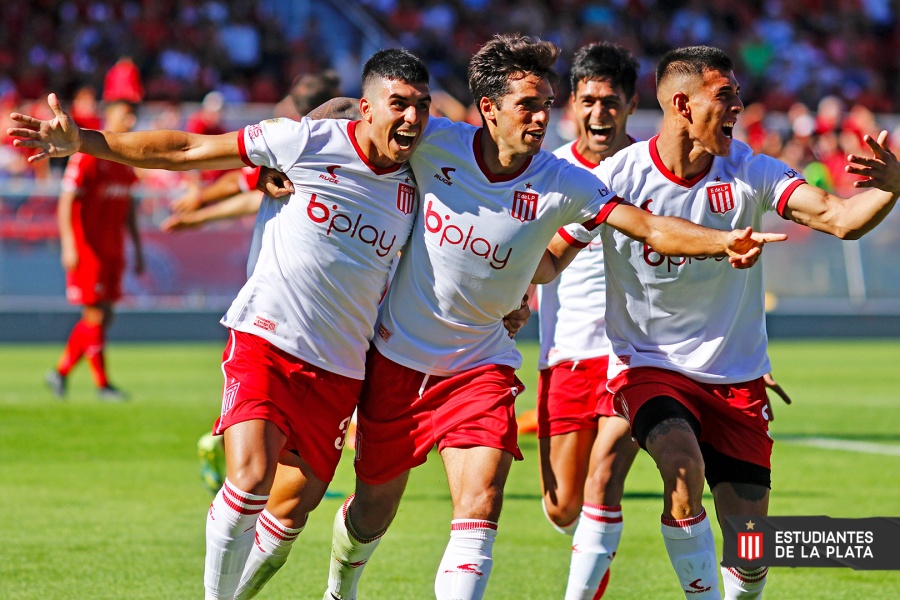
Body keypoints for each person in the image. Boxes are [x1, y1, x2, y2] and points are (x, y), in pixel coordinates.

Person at [292, 34, 781, 600]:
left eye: (551, 104)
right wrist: (303, 152)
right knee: (547, 502)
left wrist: (724, 279)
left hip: (607, 357)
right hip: (504, 352)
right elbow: (357, 117)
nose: (552, 116)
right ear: (493, 108)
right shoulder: (460, 148)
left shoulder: (588, 178)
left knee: (569, 485)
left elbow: (650, 227)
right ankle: (342, 585)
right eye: (539, 104)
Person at [10, 48, 433, 600]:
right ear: (365, 108)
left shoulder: (423, 175)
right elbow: (187, 149)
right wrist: (84, 140)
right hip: (267, 338)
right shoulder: (306, 142)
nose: (411, 118)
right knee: (251, 478)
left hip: (341, 369)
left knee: (291, 509)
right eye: (397, 104)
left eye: (421, 106)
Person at [555, 45, 900, 599]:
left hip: (735, 378)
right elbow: (550, 256)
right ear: (681, 104)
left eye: (738, 92)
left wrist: (891, 186)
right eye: (725, 94)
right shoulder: (616, 175)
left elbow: (841, 218)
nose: (740, 104)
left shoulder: (752, 170)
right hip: (650, 366)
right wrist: (505, 293)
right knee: (681, 470)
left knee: (750, 549)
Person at [531, 42, 641, 600]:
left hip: (632, 356)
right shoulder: (547, 170)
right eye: (589, 101)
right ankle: (592, 547)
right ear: (572, 103)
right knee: (562, 502)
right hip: (566, 352)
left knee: (603, 485)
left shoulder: (650, 171)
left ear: (631, 104)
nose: (600, 114)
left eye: (612, 102)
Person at [44, 98, 144, 402]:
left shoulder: (127, 161)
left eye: (133, 117)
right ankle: (102, 386)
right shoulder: (87, 156)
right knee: (96, 316)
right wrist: (69, 244)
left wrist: (137, 249)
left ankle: (60, 373)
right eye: (126, 115)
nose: (131, 122)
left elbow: (128, 210)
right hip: (89, 249)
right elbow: (66, 201)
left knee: (104, 316)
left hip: (113, 249)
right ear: (110, 116)